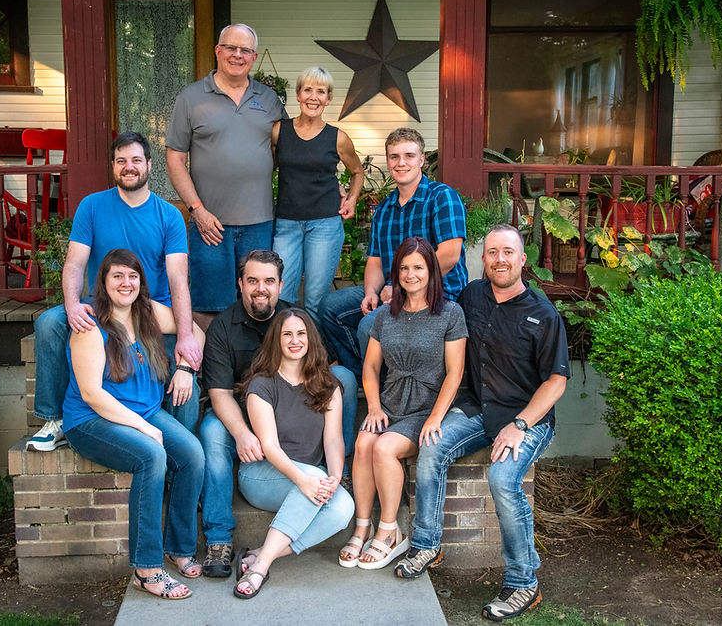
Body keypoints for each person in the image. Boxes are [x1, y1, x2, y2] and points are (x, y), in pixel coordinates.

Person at [394, 224, 569, 623]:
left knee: (504, 479)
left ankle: (524, 582)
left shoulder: (543, 314)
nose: (500, 259)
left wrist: (520, 426)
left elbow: (556, 381)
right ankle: (425, 545)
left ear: (523, 259)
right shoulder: (472, 295)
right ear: (483, 259)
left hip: (527, 419)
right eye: (492, 252)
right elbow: (433, 313)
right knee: (432, 446)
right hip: (476, 409)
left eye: (508, 252)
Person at [28, 132, 203, 452]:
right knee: (49, 323)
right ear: (113, 166)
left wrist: (186, 338)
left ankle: (178, 457)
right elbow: (74, 263)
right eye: (121, 161)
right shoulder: (92, 207)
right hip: (100, 307)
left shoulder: (169, 216)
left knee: (185, 380)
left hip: (151, 313)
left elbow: (179, 279)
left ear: (149, 165)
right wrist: (71, 305)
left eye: (136, 160)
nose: (129, 167)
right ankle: (53, 419)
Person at [198, 249, 358, 577]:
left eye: (269, 281)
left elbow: (321, 371)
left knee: (342, 379)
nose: (261, 288)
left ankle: (338, 474)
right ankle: (218, 537)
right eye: (253, 280)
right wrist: (243, 433)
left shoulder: (295, 320)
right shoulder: (222, 329)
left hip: (287, 411)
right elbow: (219, 393)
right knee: (212, 431)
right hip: (240, 416)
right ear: (240, 284)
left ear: (281, 285)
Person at [62, 249, 205, 600]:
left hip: (145, 413)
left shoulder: (149, 313)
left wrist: (186, 369)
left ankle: (179, 547)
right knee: (152, 457)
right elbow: (93, 395)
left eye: (132, 277)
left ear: (141, 282)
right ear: (104, 282)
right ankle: (147, 569)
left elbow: (195, 333)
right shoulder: (89, 327)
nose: (126, 283)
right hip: (92, 420)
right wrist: (142, 428)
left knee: (193, 456)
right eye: (117, 276)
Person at [340, 237, 467, 570]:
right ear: (395, 272)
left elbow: (455, 373)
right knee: (365, 441)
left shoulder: (450, 313)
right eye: (404, 268)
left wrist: (436, 418)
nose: (411, 275)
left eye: (418, 268)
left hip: (427, 406)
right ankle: (362, 526)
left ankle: (389, 531)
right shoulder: (386, 315)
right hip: (391, 402)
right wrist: (374, 406)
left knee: (383, 448)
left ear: (431, 271)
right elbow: (370, 367)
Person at [320, 127, 468, 377]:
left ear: (421, 160)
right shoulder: (385, 208)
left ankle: (386, 387)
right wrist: (370, 292)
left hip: (437, 292)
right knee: (330, 307)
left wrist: (399, 287)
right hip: (392, 290)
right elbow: (376, 261)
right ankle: (361, 376)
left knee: (370, 324)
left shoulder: (442, 197)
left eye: (409, 156)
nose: (401, 163)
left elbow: (450, 254)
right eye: (394, 157)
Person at [166, 23, 287, 324]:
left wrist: (327, 184)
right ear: (218, 51)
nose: (237, 55)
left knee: (259, 302)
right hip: (210, 224)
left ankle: (252, 369)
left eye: (245, 50)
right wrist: (197, 210)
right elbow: (175, 160)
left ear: (254, 57)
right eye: (231, 48)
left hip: (259, 223)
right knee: (209, 307)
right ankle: (211, 369)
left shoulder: (270, 100)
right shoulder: (191, 98)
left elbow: (291, 151)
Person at [231, 307, 354, 599]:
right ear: (276, 340)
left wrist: (335, 476)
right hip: (262, 476)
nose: (294, 340)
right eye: (287, 334)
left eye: (301, 333)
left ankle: (261, 554)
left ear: (311, 339)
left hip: (308, 478)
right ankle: (260, 567)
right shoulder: (261, 385)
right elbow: (270, 447)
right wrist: (303, 478)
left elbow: (334, 439)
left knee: (343, 508)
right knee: (313, 476)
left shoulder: (327, 386)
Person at [271, 66, 364, 325]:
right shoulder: (279, 131)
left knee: (315, 298)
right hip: (287, 223)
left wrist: (352, 198)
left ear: (328, 98)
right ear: (298, 95)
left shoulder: (338, 138)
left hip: (325, 224)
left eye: (321, 92)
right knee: (283, 295)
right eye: (308, 90)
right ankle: (284, 354)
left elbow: (357, 172)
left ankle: (313, 359)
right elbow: (264, 168)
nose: (314, 97)